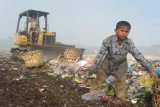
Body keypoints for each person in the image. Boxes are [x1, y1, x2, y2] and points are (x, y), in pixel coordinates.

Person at [87, 21, 157, 103]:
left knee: (121, 85)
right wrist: (92, 70)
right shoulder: (108, 40)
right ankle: (92, 96)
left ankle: (120, 101)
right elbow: (100, 55)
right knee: (98, 81)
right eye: (122, 31)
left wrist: (150, 70)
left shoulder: (128, 43)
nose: (124, 33)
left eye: (126, 31)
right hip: (107, 64)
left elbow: (138, 55)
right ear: (115, 30)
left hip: (121, 66)